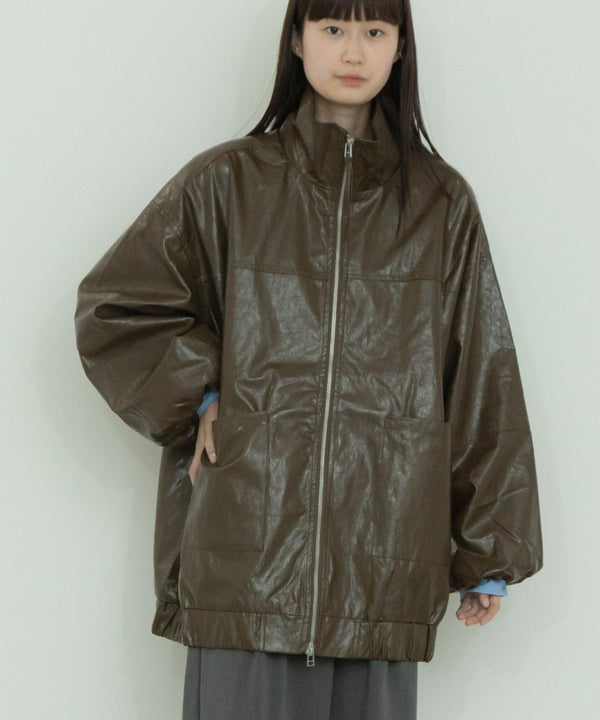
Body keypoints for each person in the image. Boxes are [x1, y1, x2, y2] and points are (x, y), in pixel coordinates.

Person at [74, 1, 544, 718]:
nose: (353, 51)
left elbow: (480, 370)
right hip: (246, 555)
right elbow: (117, 306)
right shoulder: (228, 181)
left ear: (399, 48)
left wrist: (490, 548)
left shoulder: (440, 204)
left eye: (374, 31)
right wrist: (202, 394)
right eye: (333, 29)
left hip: (383, 560)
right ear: (297, 40)